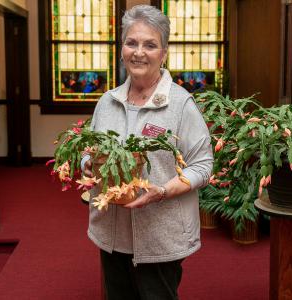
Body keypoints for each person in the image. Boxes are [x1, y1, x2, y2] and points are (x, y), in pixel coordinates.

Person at [82, 5, 213, 300]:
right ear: (122, 49)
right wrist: (88, 164)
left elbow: (203, 166)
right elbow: (88, 152)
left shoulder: (181, 104)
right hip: (111, 234)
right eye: (132, 42)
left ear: (163, 53)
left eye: (150, 45)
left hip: (161, 238)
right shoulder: (106, 101)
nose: (139, 52)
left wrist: (162, 191)